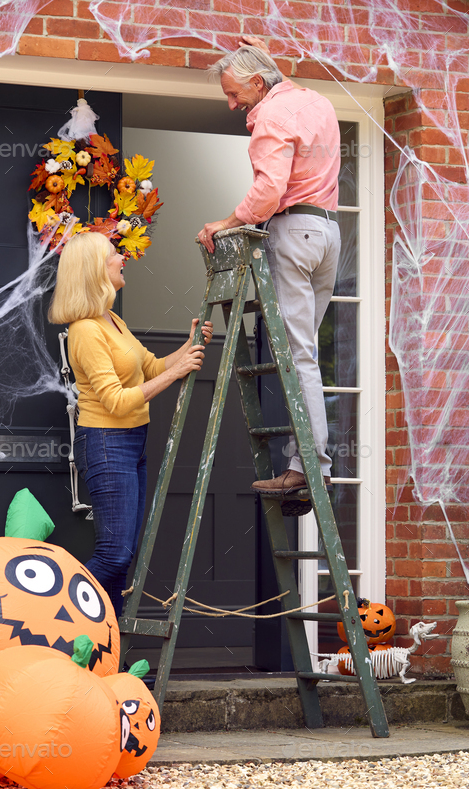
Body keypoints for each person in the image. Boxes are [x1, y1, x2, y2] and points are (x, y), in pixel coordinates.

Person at [197, 38, 341, 495]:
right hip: (327, 235)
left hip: (292, 232)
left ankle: (309, 469)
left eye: (236, 93)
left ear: (259, 84)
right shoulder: (315, 102)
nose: (232, 103)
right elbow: (284, 88)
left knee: (298, 357)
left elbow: (269, 192)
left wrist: (224, 222)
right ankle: (308, 464)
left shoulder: (272, 116)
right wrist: (271, 63)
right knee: (305, 355)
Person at [48, 232, 213, 616]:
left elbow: (151, 367)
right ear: (95, 270)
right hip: (106, 441)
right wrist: (178, 374)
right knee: (114, 553)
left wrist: (188, 347)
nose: (122, 258)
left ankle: (108, 652)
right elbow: (117, 402)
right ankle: (55, 619)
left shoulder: (113, 321)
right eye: (113, 255)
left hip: (131, 442)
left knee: (123, 557)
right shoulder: (86, 330)